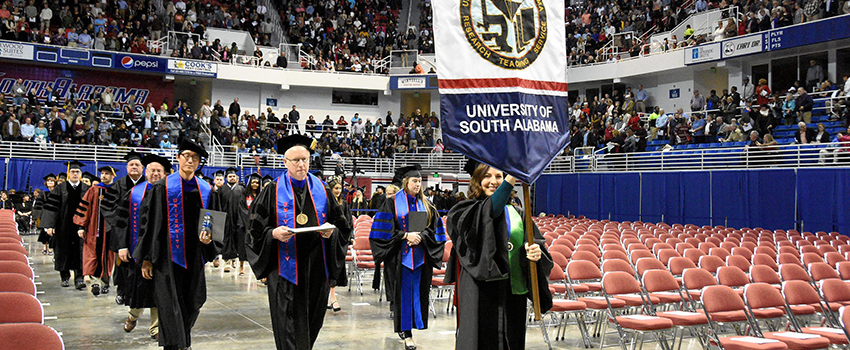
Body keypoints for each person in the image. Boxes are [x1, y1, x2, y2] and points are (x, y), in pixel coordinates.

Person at [246, 134, 351, 350]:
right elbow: (253, 231)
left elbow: (342, 226)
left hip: (316, 268)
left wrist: (331, 232)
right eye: (296, 160)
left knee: (313, 321)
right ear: (285, 162)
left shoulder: (322, 189)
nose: (302, 164)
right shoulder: (272, 190)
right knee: (287, 325)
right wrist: (273, 233)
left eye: (305, 159)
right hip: (285, 270)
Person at [445, 159, 552, 349]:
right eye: (487, 176)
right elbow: (489, 212)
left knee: (513, 341)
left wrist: (535, 253)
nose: (494, 181)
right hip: (481, 292)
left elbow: (537, 245)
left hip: (513, 292)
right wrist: (511, 178)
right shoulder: (463, 211)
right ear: (476, 179)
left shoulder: (518, 213)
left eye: (499, 176)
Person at [134, 139, 221, 350]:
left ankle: (182, 340)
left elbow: (213, 219)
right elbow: (148, 224)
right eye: (186, 156)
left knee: (194, 301)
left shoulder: (206, 189)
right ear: (178, 158)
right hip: (166, 256)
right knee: (168, 303)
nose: (190, 160)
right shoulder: (161, 188)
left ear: (199, 163)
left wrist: (210, 236)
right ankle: (176, 346)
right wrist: (146, 258)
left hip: (194, 255)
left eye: (195, 158)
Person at [369, 164, 446, 350]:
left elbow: (435, 231)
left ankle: (414, 326)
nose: (418, 185)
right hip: (399, 259)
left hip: (421, 259)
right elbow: (381, 231)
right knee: (403, 295)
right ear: (405, 182)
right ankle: (406, 333)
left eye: (420, 181)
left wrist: (421, 237)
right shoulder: (392, 202)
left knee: (418, 294)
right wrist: (405, 236)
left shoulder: (427, 204)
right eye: (414, 181)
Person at [116, 153, 171, 340]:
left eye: (159, 171)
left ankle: (155, 328)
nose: (155, 174)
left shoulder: (172, 195)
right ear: (145, 172)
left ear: (165, 174)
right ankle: (133, 316)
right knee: (139, 288)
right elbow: (121, 221)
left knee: (159, 290)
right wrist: (122, 246)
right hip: (137, 251)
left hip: (161, 252)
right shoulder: (133, 193)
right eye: (152, 170)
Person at [103, 151, 146, 305]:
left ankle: (139, 294)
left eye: (137, 165)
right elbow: (107, 207)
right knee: (122, 263)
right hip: (122, 231)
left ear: (143, 168)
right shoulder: (118, 185)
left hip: (142, 231)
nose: (134, 167)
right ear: (126, 167)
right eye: (131, 165)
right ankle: (121, 292)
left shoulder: (148, 184)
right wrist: (122, 221)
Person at [41, 160, 90, 289]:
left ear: (80, 174)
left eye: (77, 172)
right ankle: (65, 277)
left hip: (80, 226)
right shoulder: (60, 188)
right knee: (62, 250)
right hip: (63, 226)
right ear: (68, 173)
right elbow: (52, 207)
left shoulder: (87, 189)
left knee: (80, 251)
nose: (75, 174)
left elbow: (91, 210)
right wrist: (50, 225)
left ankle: (79, 278)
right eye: (72, 172)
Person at [74, 165, 118, 296]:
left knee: (107, 257)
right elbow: (84, 209)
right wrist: (81, 226)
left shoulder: (117, 190)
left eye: (107, 174)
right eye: (102, 173)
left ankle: (105, 282)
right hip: (94, 229)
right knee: (92, 255)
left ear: (113, 176)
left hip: (111, 230)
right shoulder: (94, 190)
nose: (104, 176)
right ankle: (95, 283)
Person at [326, 176, 352, 312]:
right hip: (327, 240)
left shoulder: (344, 204)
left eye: (339, 188)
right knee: (328, 268)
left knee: (335, 269)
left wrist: (348, 236)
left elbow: (348, 222)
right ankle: (331, 298)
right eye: (335, 188)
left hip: (339, 240)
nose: (338, 190)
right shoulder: (326, 202)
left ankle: (331, 297)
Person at [219, 167, 249, 274]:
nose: (232, 178)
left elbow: (245, 206)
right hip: (226, 219)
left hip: (239, 219)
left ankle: (241, 265)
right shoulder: (221, 190)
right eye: (230, 176)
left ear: (236, 178)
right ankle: (227, 262)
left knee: (240, 241)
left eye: (233, 176)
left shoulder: (241, 189)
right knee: (227, 240)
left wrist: (244, 219)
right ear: (226, 178)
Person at [35, 174, 56, 255]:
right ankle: (45, 247)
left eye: (51, 181)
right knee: (45, 232)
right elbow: (39, 205)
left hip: (54, 214)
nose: (50, 182)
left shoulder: (57, 191)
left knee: (53, 232)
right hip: (45, 214)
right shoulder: (42, 193)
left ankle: (51, 248)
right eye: (48, 181)